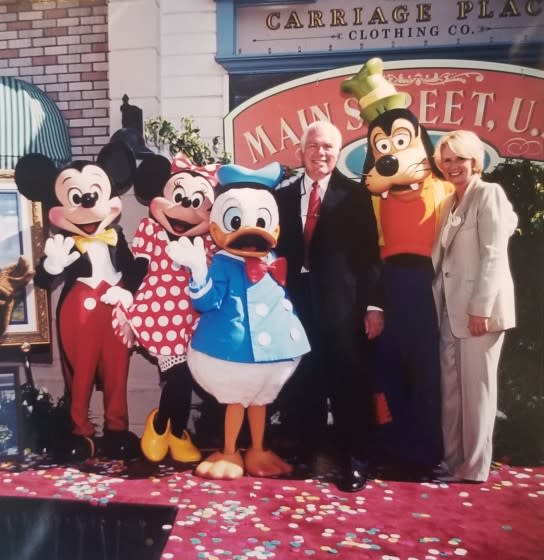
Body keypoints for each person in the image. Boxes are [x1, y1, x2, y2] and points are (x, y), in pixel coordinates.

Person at [273, 120, 384, 492]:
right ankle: (306, 451)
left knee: (348, 380)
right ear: (301, 151)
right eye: (314, 147)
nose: (321, 154)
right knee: (305, 378)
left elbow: (370, 255)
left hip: (342, 304)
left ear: (337, 153)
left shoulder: (354, 196)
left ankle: (354, 459)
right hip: (296, 302)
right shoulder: (283, 196)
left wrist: (373, 306)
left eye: (328, 148)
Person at [432, 130, 517, 482]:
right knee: (452, 393)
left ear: (474, 161)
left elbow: (494, 255)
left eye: (460, 159)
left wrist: (481, 307)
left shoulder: (489, 194)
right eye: (447, 160)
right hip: (450, 312)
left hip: (478, 313)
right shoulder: (450, 202)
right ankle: (452, 462)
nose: (453, 166)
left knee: (477, 393)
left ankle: (474, 467)